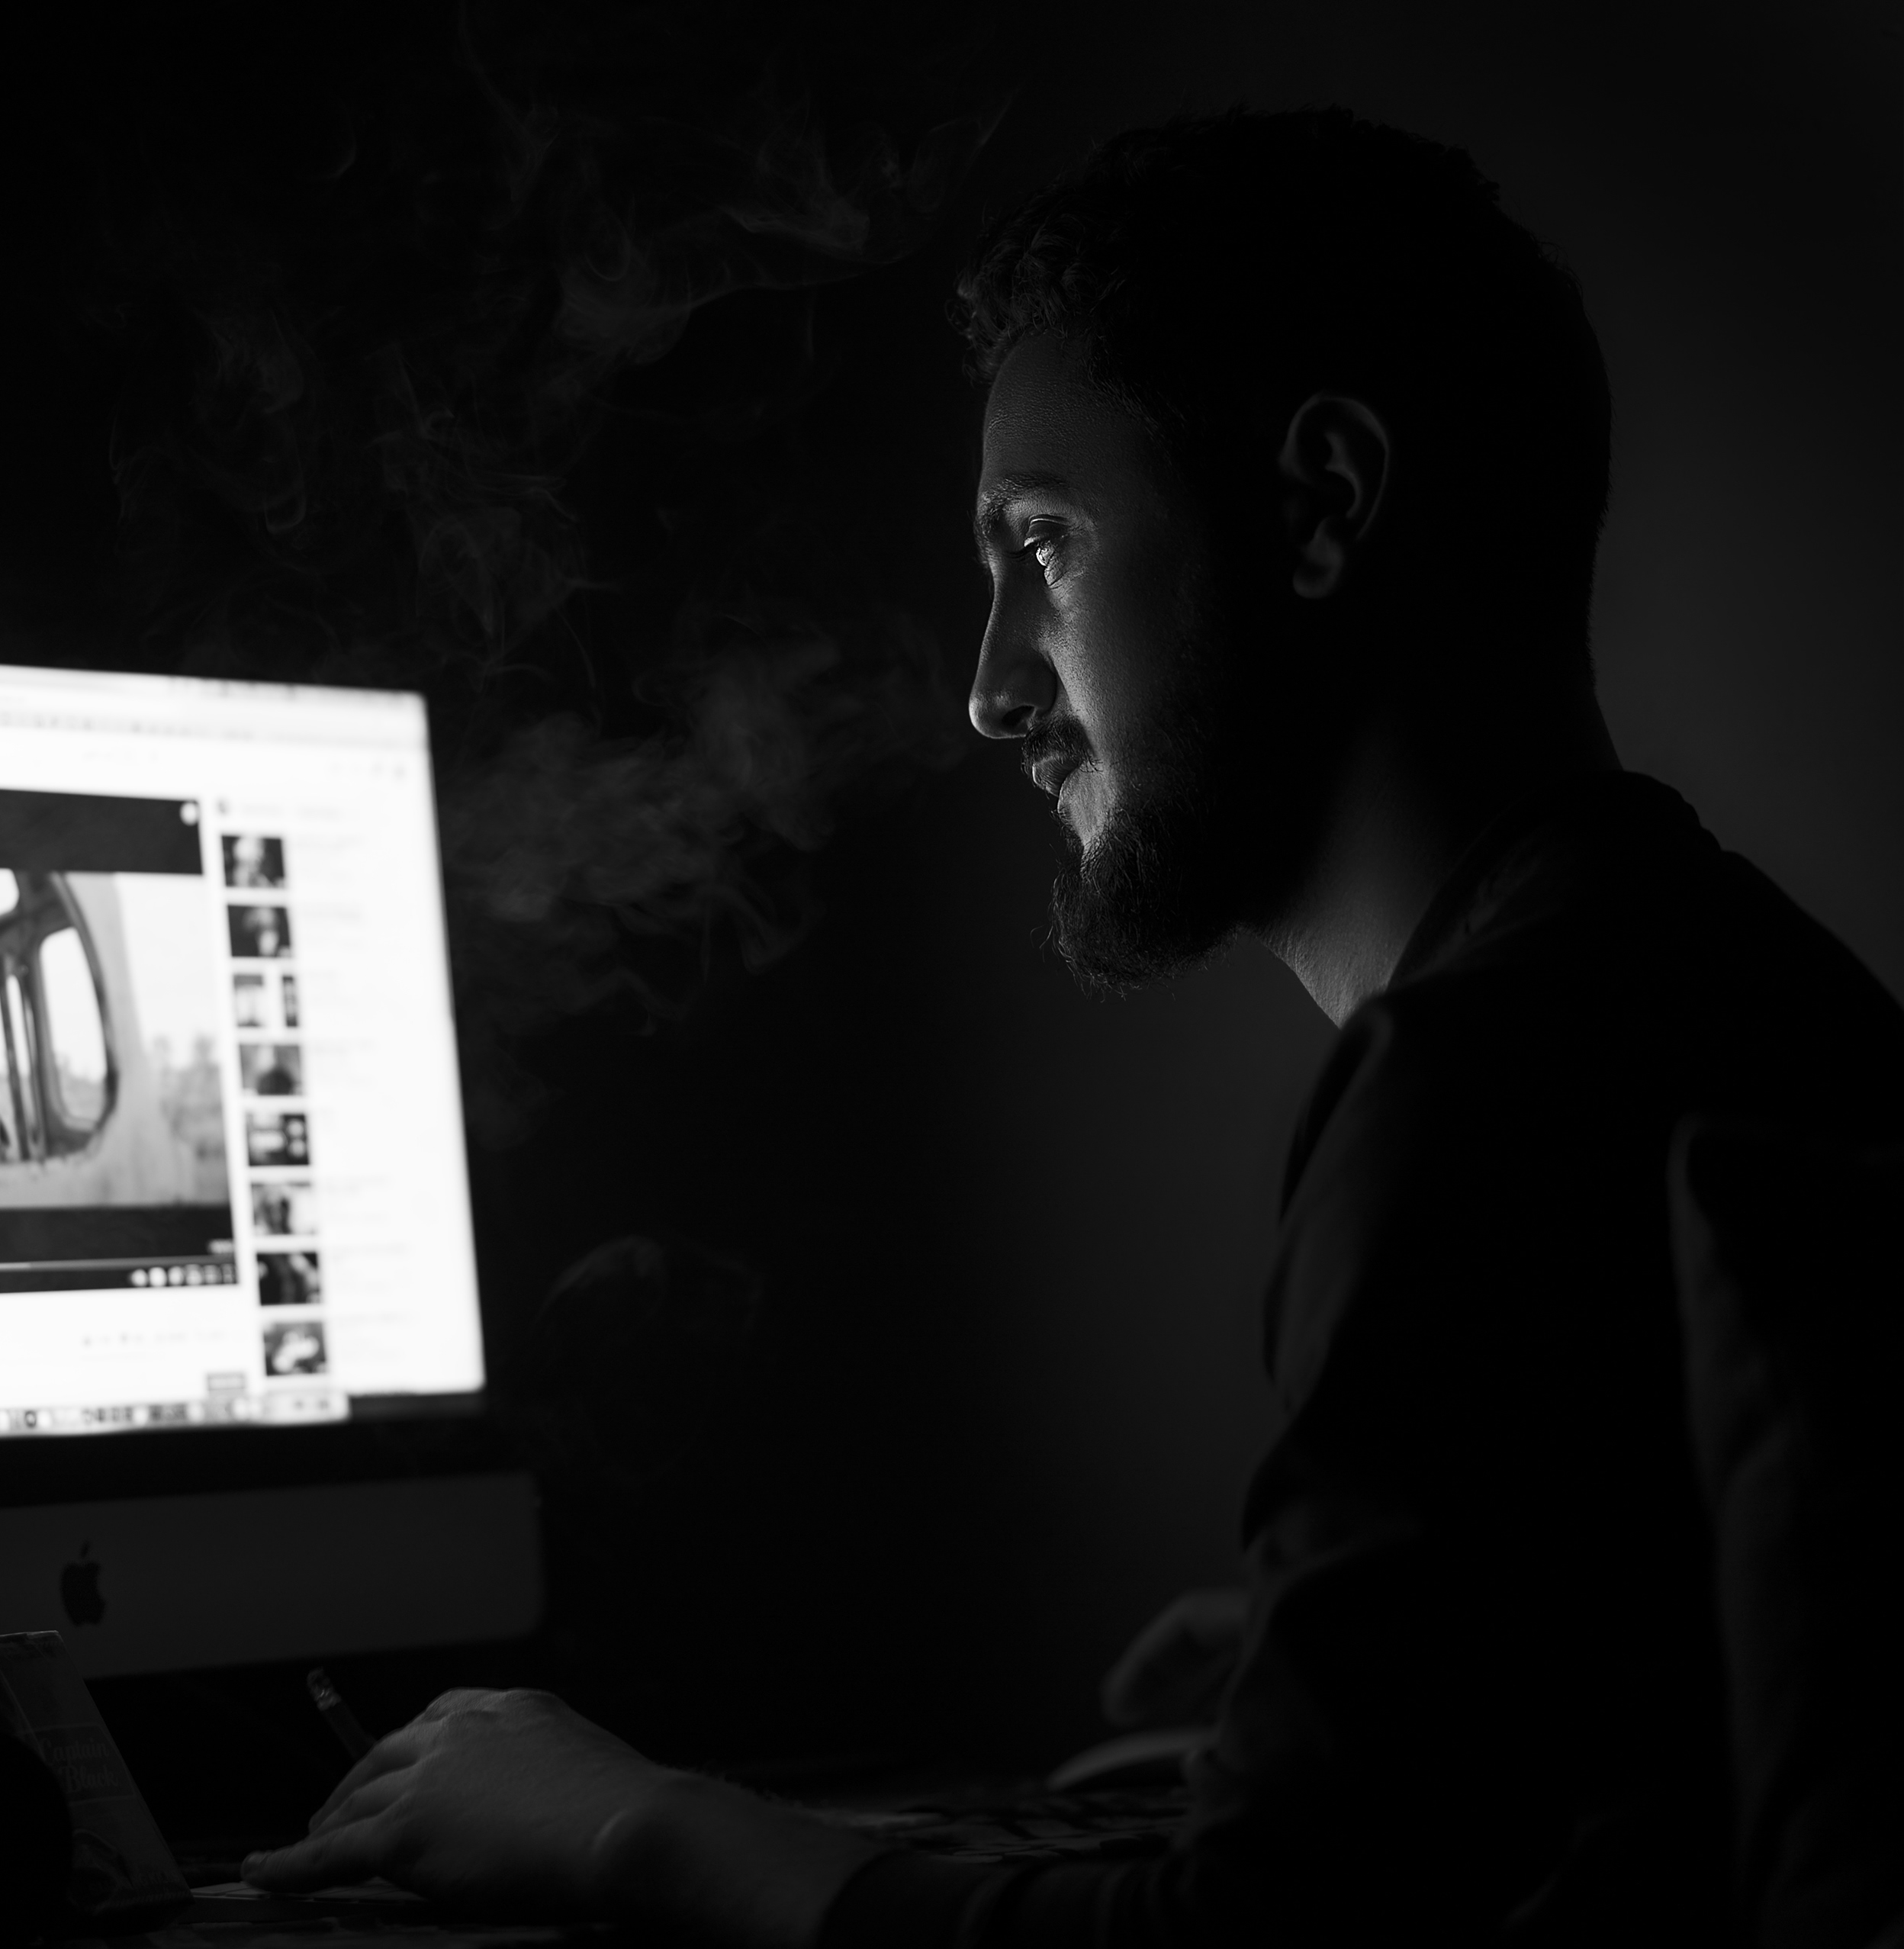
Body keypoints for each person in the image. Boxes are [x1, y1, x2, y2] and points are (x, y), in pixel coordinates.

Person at [239, 108, 1903, 1944]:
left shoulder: (1477, 1082)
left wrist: (634, 1826)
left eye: (1041, 542)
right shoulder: (1756, 985)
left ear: (1323, 502)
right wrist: (1374, 1680)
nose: (987, 689)